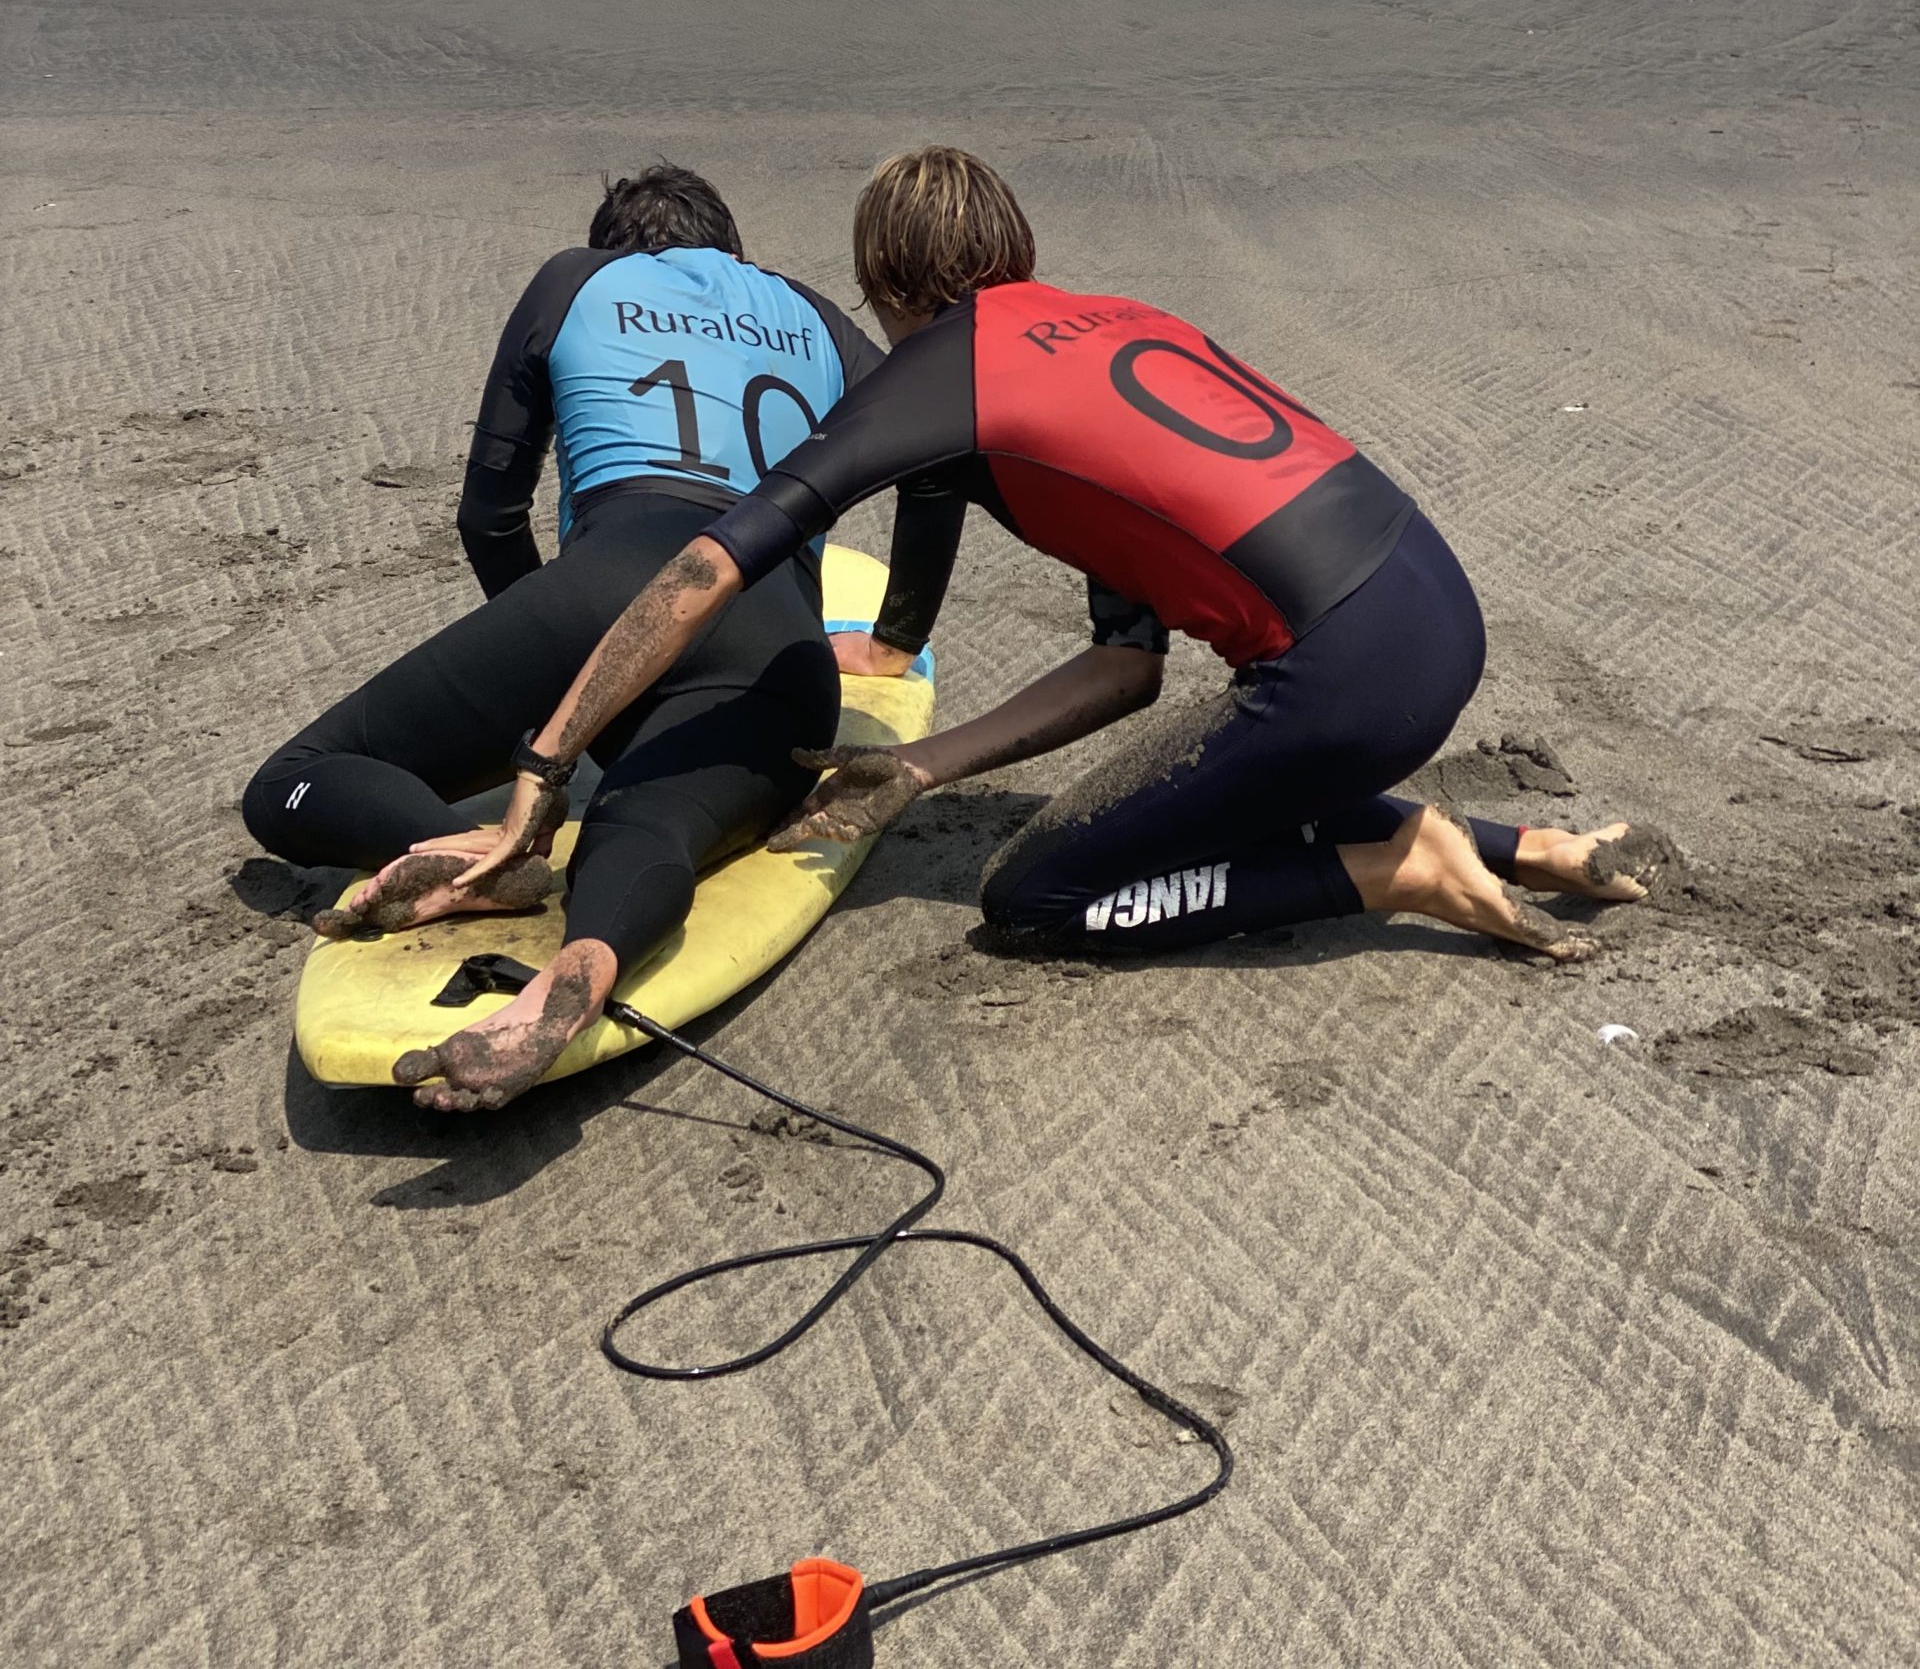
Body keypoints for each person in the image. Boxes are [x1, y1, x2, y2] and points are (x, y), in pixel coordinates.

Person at [450, 149, 1676, 1102]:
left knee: (1041, 892)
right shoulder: (1113, 324)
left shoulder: (938, 366)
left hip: (1341, 681)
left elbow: (711, 560)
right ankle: (1539, 848)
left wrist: (544, 758)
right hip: (1432, 611)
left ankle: (1391, 869)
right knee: (1211, 778)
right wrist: (922, 765)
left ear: (890, 290)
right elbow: (1127, 667)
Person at [243, 163, 938, 1112]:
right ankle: (584, 963)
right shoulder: (817, 316)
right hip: (784, 647)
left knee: (293, 780)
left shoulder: (577, 277)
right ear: (735, 252)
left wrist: (560, 675)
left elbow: (489, 515)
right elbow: (937, 467)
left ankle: (464, 849)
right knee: (651, 822)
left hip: (608, 589)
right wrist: (894, 644)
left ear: (618, 243)